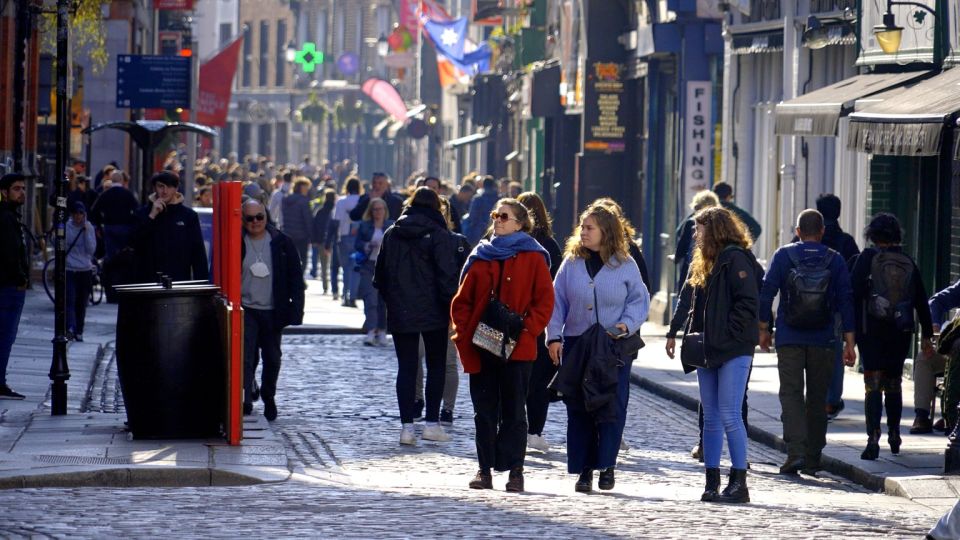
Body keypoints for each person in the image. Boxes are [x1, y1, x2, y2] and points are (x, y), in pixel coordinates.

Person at [451, 198, 554, 492]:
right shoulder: (481, 255)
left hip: (519, 347)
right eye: (495, 215)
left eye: (504, 216)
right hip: (481, 345)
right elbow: (462, 302)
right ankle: (484, 469)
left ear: (520, 223)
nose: (497, 220)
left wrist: (528, 330)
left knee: (514, 411)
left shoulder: (535, 257)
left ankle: (516, 471)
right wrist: (463, 332)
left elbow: (545, 301)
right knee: (484, 410)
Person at [547, 203, 650, 493]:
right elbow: (557, 302)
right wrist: (554, 337)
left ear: (607, 232)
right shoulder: (571, 263)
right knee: (579, 407)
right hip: (578, 344)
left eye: (590, 227)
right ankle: (584, 470)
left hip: (612, 346)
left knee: (610, 406)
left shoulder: (625, 263)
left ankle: (607, 465)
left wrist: (625, 325)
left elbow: (639, 300)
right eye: (582, 227)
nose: (584, 232)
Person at [665, 206, 759, 504]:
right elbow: (689, 300)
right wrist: (680, 332)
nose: (695, 234)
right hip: (707, 349)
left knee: (731, 414)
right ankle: (711, 481)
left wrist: (726, 335)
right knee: (711, 418)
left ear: (714, 230)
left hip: (733, 349)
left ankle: (739, 482)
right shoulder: (704, 262)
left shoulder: (736, 258)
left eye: (699, 229)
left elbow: (747, 304)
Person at [758, 209, 856, 475]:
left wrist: (764, 328)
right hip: (824, 339)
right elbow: (846, 300)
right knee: (817, 397)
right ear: (822, 232)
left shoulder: (784, 255)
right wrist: (849, 341)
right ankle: (813, 456)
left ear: (798, 231)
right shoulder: (834, 260)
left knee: (790, 393)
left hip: (789, 336)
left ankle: (795, 453)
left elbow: (767, 292)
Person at [374, 187, 461, 446]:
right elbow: (447, 277)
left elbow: (380, 276)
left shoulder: (392, 233)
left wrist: (394, 299)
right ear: (437, 207)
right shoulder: (439, 234)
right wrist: (451, 308)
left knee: (407, 368)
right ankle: (431, 424)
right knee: (435, 367)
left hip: (401, 309)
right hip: (434, 310)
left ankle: (406, 428)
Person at [850, 213, 933, 460]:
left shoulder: (866, 259)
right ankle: (895, 434)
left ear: (872, 235)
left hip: (871, 331)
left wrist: (849, 335)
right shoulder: (908, 261)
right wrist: (927, 336)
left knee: (873, 384)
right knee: (894, 383)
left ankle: (873, 437)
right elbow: (921, 300)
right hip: (900, 331)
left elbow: (852, 294)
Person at [240, 199, 305, 421]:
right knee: (246, 357)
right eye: (249, 218)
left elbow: (296, 278)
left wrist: (295, 311)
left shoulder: (281, 242)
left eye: (259, 216)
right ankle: (246, 398)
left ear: (266, 216)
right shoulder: (237, 241)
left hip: (272, 310)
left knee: (273, 358)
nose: (255, 222)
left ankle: (268, 396)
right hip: (246, 308)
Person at [516, 192, 563, 453]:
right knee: (539, 382)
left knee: (515, 377)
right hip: (542, 321)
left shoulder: (509, 242)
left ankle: (514, 426)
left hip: (514, 319)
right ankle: (534, 431)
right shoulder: (550, 246)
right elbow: (556, 289)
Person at [131, 171, 209, 282]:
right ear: (155, 188)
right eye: (161, 186)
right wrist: (151, 216)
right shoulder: (142, 213)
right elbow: (134, 242)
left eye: (170, 186)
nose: (165, 191)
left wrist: (202, 288)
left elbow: (198, 254)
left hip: (178, 283)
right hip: (147, 283)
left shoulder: (188, 216)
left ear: (176, 188)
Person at [918, 279, 960, 433]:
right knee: (925, 357)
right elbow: (936, 301)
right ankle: (921, 416)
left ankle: (952, 414)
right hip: (953, 351)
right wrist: (934, 326)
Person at [0, 173, 28, 400]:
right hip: (8, 287)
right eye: (17, 189)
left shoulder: (9, 216)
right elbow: (10, 254)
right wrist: (21, 279)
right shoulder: (6, 219)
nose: (22, 193)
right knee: (5, 336)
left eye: (23, 189)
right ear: (4, 192)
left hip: (8, 284)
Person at [355, 198, 393, 347]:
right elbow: (357, 244)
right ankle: (371, 330)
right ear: (371, 211)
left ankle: (382, 331)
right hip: (368, 265)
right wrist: (367, 245)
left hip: (385, 267)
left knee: (382, 301)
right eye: (375, 209)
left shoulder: (390, 226)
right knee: (370, 299)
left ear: (385, 210)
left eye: (380, 209)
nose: (378, 212)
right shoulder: (365, 226)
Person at [675, 190, 721, 292]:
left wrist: (676, 258)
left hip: (693, 269)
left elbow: (681, 248)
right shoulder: (720, 225)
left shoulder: (691, 223)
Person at [65, 202, 97, 342]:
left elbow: (91, 250)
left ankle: (79, 330)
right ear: (72, 214)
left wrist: (86, 233)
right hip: (70, 269)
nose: (78, 216)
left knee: (82, 302)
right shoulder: (66, 227)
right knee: (70, 300)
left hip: (85, 270)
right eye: (76, 213)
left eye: (81, 213)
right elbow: (61, 244)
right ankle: (70, 328)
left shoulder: (88, 227)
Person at [331, 177, 361, 305]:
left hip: (343, 236)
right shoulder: (362, 201)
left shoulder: (341, 202)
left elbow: (336, 221)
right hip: (359, 237)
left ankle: (345, 294)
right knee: (356, 267)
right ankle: (353, 295)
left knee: (346, 267)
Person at [281, 177, 313, 272]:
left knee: (289, 258)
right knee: (303, 259)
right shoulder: (304, 201)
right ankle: (298, 278)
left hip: (288, 233)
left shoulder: (286, 199)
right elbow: (308, 219)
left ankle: (290, 277)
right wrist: (312, 235)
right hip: (302, 235)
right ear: (302, 188)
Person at [310, 188, 337, 290]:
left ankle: (325, 286)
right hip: (334, 240)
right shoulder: (335, 210)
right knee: (333, 265)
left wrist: (315, 240)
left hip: (321, 240)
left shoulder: (320, 210)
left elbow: (314, 226)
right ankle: (334, 287)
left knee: (324, 265)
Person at [464, 175, 500, 245]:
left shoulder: (477, 199)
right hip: (495, 231)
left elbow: (472, 217)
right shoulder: (499, 199)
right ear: (493, 185)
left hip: (478, 233)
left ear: (483, 185)